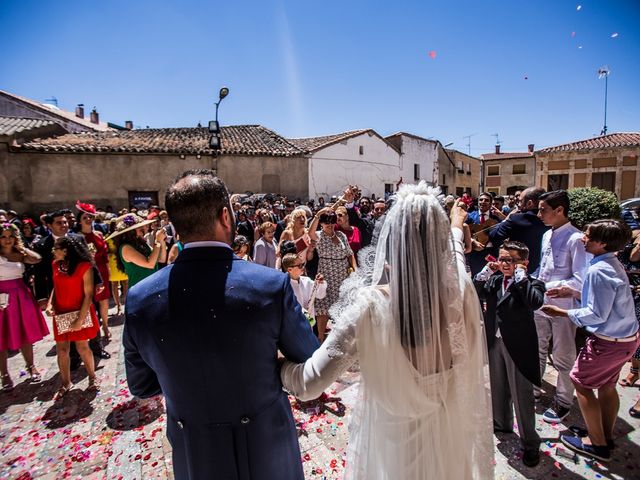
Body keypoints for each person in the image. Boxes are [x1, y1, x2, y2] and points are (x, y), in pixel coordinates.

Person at [281, 183, 493, 479]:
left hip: (396, 453)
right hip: (448, 446)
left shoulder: (370, 305)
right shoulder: (459, 288)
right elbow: (455, 255)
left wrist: (282, 366)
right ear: (439, 242)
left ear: (390, 244)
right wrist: (455, 227)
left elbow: (310, 384)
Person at [123, 170, 319, 480]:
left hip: (195, 451)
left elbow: (142, 384)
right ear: (225, 217)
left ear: (174, 226)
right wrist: (274, 364)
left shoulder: (140, 298)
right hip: (265, 448)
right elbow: (309, 357)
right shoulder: (271, 286)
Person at [541, 220, 639, 462]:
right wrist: (572, 292)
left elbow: (596, 314)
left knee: (580, 383)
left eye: (587, 235)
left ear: (602, 243)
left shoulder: (598, 270)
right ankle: (604, 435)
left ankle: (596, 445)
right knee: (606, 387)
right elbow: (606, 299)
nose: (582, 238)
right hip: (625, 340)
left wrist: (561, 312)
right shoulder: (610, 263)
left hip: (608, 342)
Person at [474, 240, 545, 467]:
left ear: (523, 263)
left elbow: (535, 302)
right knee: (498, 387)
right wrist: (487, 270)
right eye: (502, 258)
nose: (505, 263)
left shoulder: (533, 283)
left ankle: (530, 443)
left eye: (510, 260)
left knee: (521, 395)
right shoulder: (495, 280)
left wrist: (521, 277)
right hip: (495, 341)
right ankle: (501, 423)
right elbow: (477, 292)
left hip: (519, 346)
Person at [534, 190, 591, 423]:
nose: (539, 214)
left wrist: (547, 285)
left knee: (562, 355)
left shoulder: (575, 239)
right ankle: (534, 388)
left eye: (543, 210)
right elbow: (543, 267)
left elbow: (580, 278)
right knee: (536, 347)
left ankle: (564, 400)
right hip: (540, 303)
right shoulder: (547, 235)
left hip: (563, 307)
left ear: (560, 210)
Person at [47, 236, 101, 400]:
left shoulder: (84, 266)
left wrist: (80, 319)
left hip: (79, 311)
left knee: (82, 347)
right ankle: (65, 383)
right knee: (62, 350)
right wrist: (50, 303)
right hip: (61, 312)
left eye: (55, 248)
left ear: (65, 250)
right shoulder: (56, 265)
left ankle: (92, 377)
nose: (53, 251)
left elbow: (88, 294)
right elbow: (55, 287)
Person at [0, 223, 49, 391]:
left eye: (10, 236)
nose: (7, 240)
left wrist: (21, 248)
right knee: (2, 337)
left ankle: (31, 366)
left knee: (24, 333)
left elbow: (37, 258)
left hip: (21, 293)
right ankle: (4, 374)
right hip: (1, 295)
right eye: (4, 237)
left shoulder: (18, 253)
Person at [309, 208, 357, 341]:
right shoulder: (319, 235)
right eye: (326, 222)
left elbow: (350, 253)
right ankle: (320, 338)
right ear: (321, 224)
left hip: (342, 276)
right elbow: (309, 232)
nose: (329, 224)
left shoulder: (341, 235)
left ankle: (340, 339)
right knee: (322, 307)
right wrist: (318, 215)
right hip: (326, 274)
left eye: (331, 221)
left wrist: (355, 269)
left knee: (342, 307)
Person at [489, 187, 548, 274]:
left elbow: (494, 235)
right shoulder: (551, 219)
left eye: (520, 201)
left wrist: (508, 218)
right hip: (543, 270)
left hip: (519, 269)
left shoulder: (517, 218)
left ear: (529, 203)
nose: (518, 204)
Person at [76, 201, 112, 339]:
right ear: (79, 220)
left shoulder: (98, 234)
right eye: (84, 217)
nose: (88, 219)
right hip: (86, 273)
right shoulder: (77, 237)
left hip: (102, 270)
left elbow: (105, 256)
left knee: (104, 301)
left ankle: (106, 326)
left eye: (90, 216)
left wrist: (108, 271)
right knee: (89, 301)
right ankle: (92, 330)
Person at [108, 214, 167, 289]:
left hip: (152, 286)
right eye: (139, 227)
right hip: (139, 290)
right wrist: (157, 241)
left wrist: (162, 241)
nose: (143, 228)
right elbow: (150, 264)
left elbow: (161, 259)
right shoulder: (126, 248)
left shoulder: (141, 243)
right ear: (130, 231)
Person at [282, 253, 326, 324]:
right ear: (290, 269)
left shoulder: (307, 281)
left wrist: (320, 284)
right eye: (299, 266)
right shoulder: (285, 285)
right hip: (293, 325)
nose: (303, 267)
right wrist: (307, 316)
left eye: (302, 264)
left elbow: (321, 295)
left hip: (308, 324)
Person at [106, 218, 128, 316]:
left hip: (118, 260)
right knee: (117, 284)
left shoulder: (121, 235)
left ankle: (124, 304)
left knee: (123, 282)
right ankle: (119, 305)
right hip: (114, 261)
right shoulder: (108, 237)